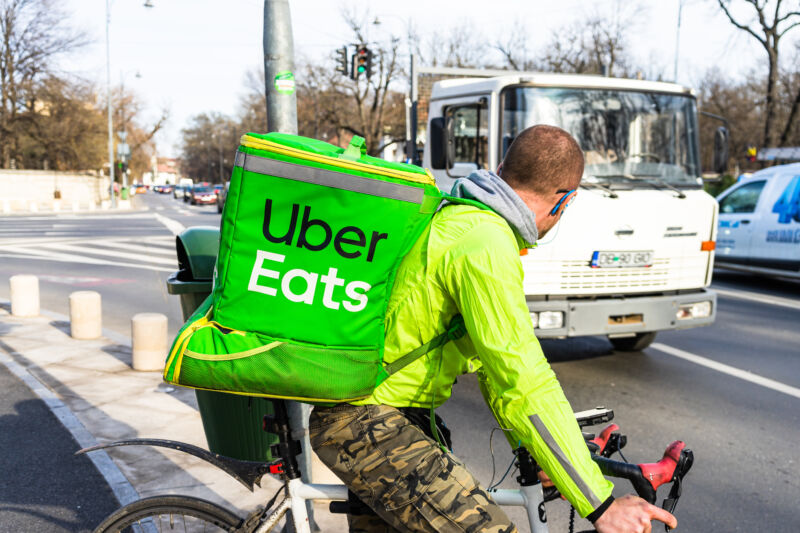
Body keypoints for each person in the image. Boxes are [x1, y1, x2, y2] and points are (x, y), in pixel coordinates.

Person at [309, 125, 677, 533]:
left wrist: (536, 452)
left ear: (501, 169)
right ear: (566, 199)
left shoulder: (459, 220)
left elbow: (493, 370)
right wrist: (600, 503)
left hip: (380, 419)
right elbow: (524, 380)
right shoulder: (485, 243)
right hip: (371, 426)